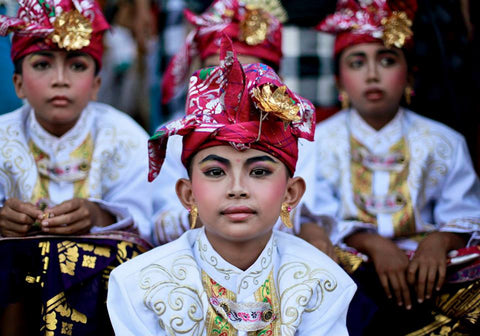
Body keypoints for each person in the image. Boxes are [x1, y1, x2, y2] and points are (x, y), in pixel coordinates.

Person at [107, 37, 356, 335]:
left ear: (291, 193)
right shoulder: (139, 286)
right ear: (187, 194)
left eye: (260, 171)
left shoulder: (321, 282)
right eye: (215, 172)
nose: (237, 188)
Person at [298, 0, 480, 334]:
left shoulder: (444, 141)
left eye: (386, 60)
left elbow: (466, 211)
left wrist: (440, 241)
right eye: (357, 62)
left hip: (430, 275)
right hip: (353, 275)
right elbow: (314, 216)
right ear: (340, 83)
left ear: (409, 75)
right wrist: (372, 244)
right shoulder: (318, 141)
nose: (372, 74)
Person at [0, 0, 153, 334]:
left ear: (97, 84)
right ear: (18, 84)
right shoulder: (2, 137)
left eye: (77, 66)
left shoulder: (125, 138)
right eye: (42, 65)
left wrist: (99, 217)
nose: (60, 80)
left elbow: (148, 223)